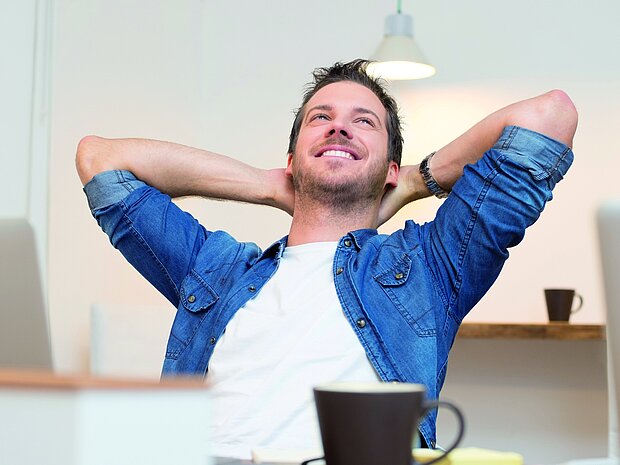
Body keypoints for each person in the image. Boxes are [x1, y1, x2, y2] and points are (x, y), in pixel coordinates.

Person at [76, 59, 577, 458]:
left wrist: (412, 184)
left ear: (389, 166)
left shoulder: (429, 267)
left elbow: (548, 116)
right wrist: (268, 185)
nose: (339, 129)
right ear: (292, 159)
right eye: (322, 119)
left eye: (363, 122)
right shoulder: (217, 267)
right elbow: (100, 161)